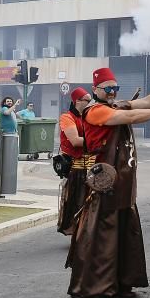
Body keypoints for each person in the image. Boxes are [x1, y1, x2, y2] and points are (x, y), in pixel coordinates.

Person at [67, 68, 150, 298]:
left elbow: (147, 102)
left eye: (115, 88)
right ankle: (92, 289)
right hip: (104, 181)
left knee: (125, 231)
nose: (112, 92)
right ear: (95, 89)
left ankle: (122, 282)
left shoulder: (115, 105)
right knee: (102, 235)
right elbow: (131, 118)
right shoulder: (95, 111)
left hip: (124, 181)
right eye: (108, 89)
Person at [57, 88, 91, 236]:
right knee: (76, 202)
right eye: (87, 101)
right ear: (77, 101)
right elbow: (76, 141)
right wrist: (100, 140)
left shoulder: (90, 117)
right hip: (75, 169)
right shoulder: (67, 117)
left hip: (91, 167)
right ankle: (77, 232)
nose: (91, 103)